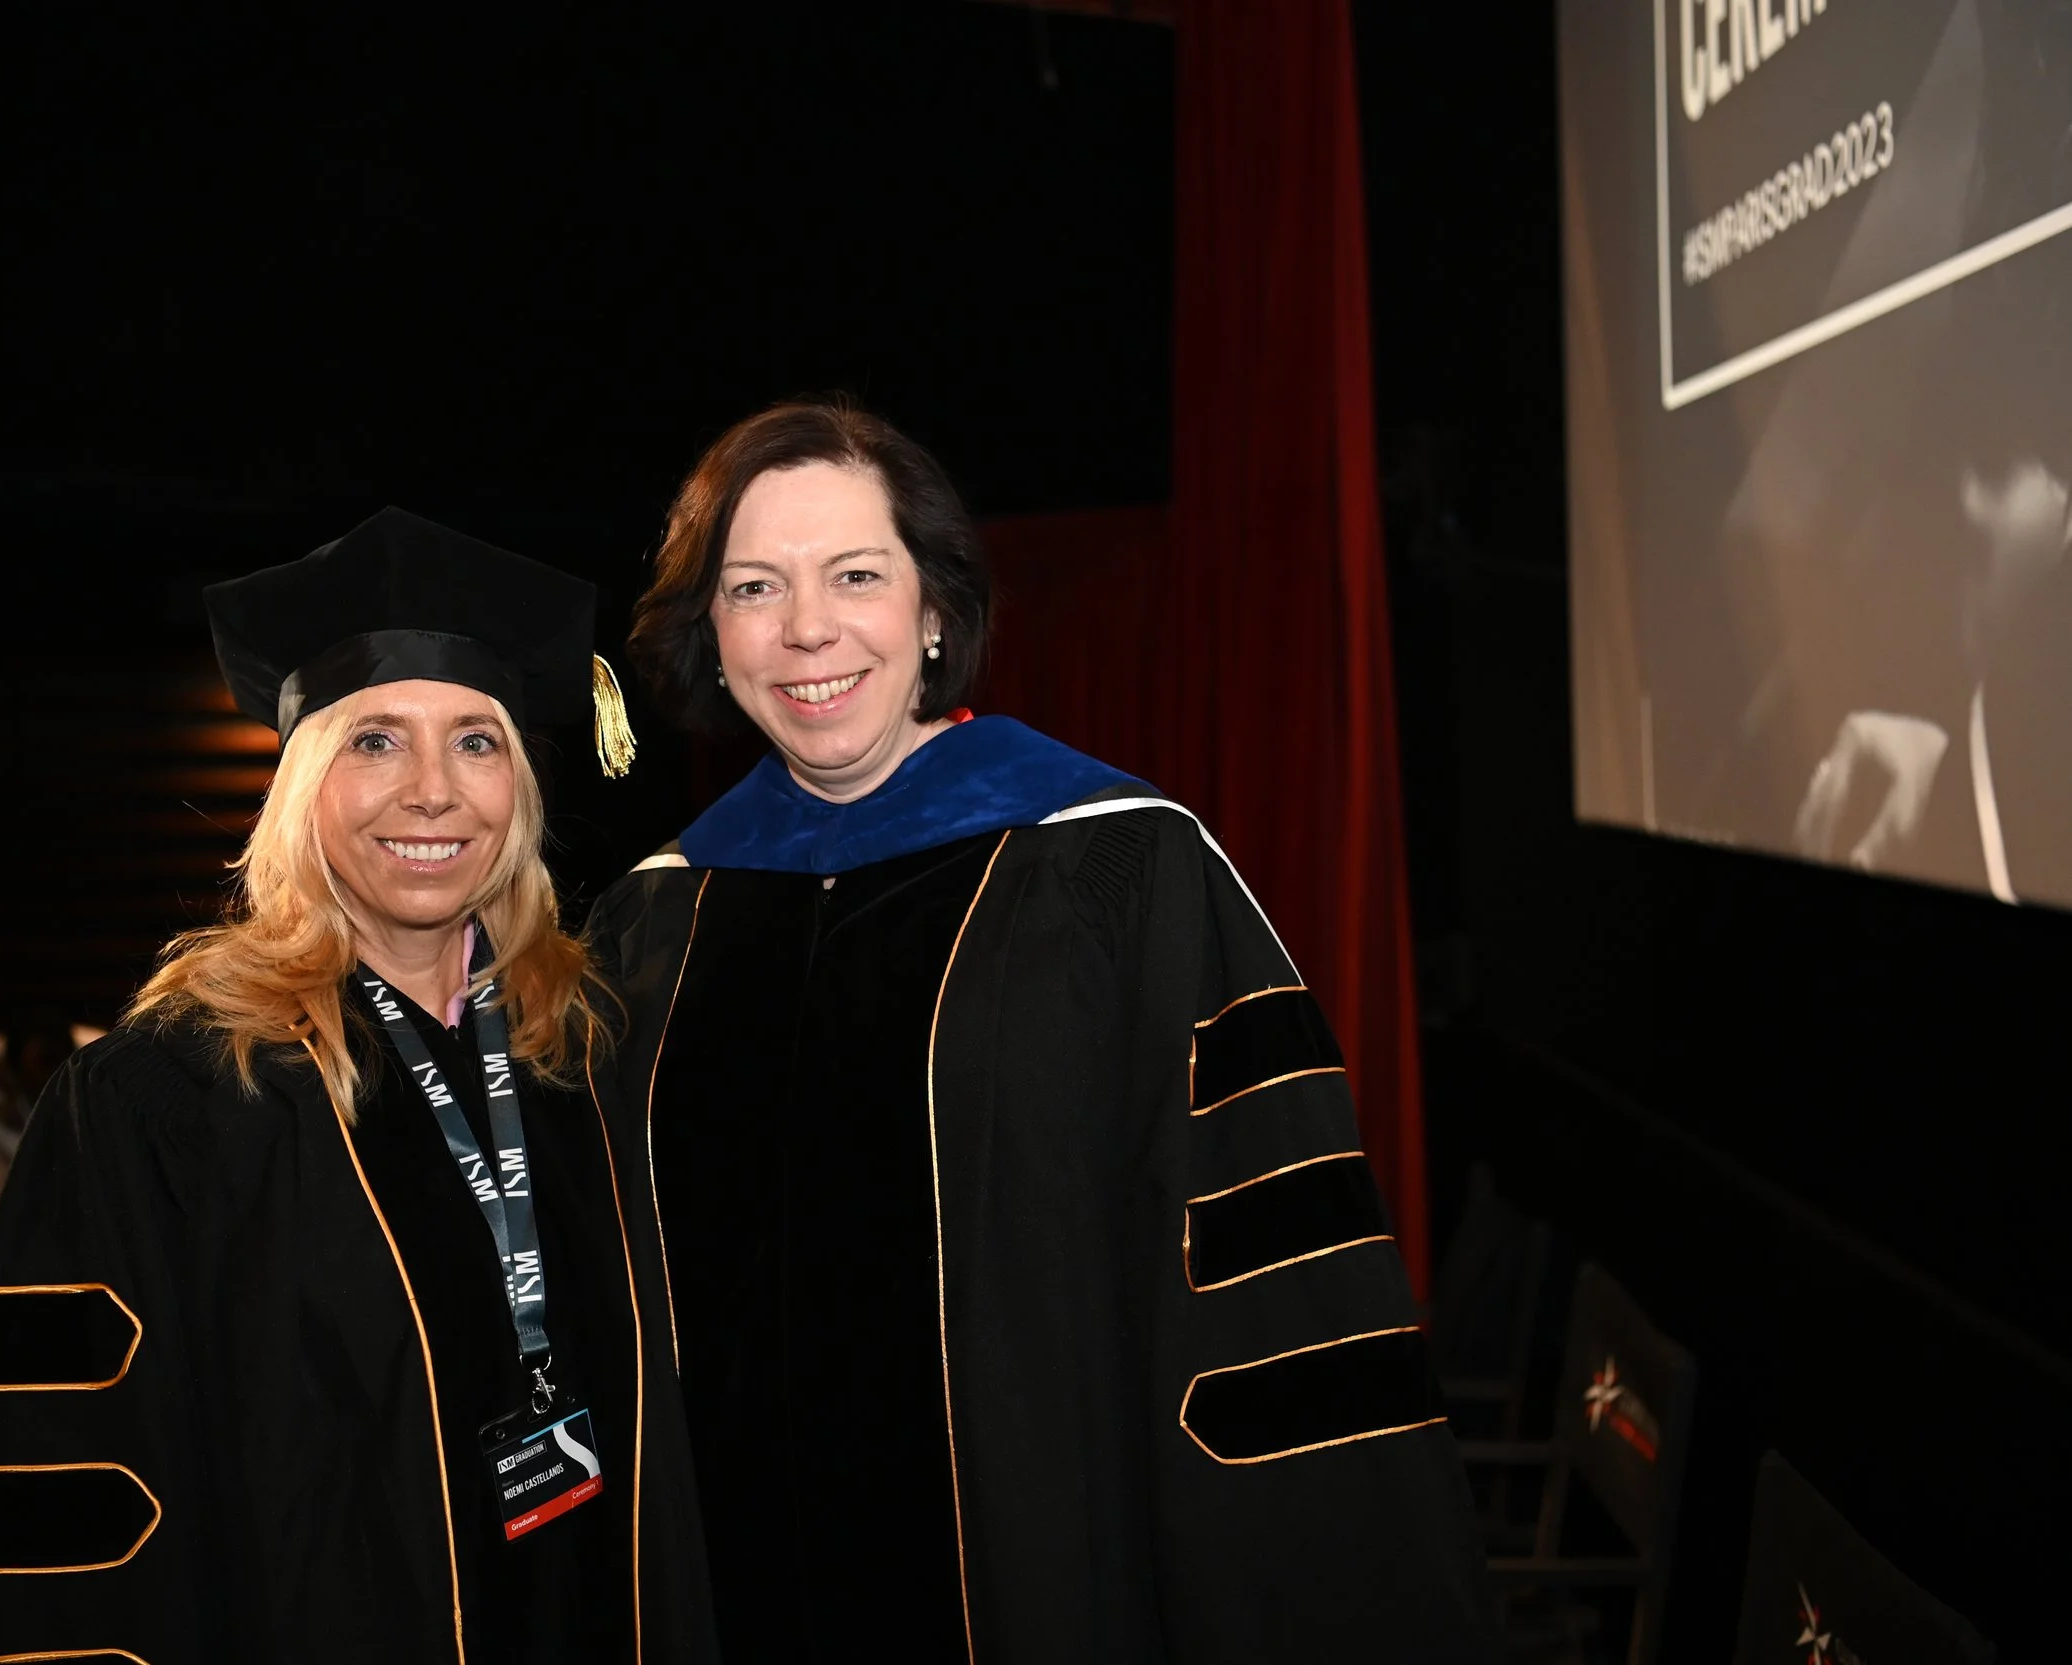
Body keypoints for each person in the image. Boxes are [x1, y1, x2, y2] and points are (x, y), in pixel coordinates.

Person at [592, 401, 1500, 1663]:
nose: (806, 628)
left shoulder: (1120, 872)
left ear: (931, 612)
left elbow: (1266, 1290)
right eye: (754, 588)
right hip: (733, 1587)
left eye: (856, 575)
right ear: (714, 632)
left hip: (1047, 1576)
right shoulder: (653, 921)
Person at [0, 508, 716, 1665]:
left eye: (476, 741)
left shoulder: (590, 1056)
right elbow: (59, 1511)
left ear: (521, 792)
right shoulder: (163, 1098)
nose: (431, 792)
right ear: (301, 789)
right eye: (375, 740)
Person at [0, 1007, 104, 1219]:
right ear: (10, 1071)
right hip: (14, 1216)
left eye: (56, 1080)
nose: (45, 1093)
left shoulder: (105, 1066)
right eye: (36, 1087)